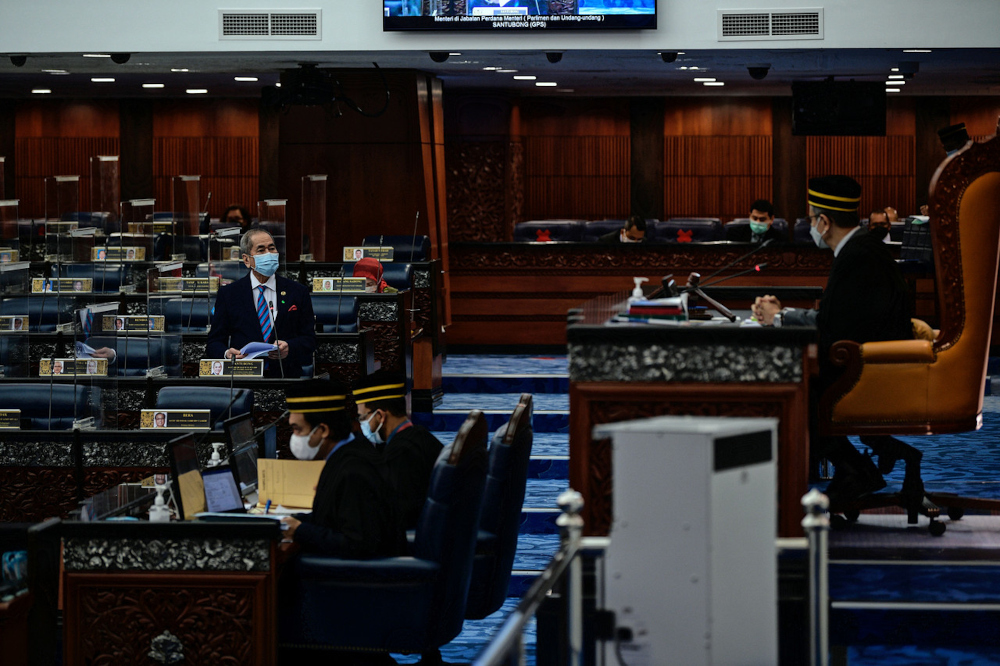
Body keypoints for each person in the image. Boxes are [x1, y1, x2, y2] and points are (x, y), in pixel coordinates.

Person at [751, 175, 913, 502]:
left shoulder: (858, 256)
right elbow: (837, 318)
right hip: (871, 359)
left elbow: (834, 329)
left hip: (872, 369)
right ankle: (853, 465)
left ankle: (854, 470)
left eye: (812, 219)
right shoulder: (861, 248)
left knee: (792, 382)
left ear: (824, 222)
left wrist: (779, 318)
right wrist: (783, 314)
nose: (811, 226)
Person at [280, 379, 403, 558]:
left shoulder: (354, 471)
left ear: (323, 430)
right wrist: (295, 521)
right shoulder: (350, 451)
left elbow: (356, 544)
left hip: (359, 573)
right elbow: (331, 518)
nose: (295, 437)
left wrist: (300, 531)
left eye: (298, 429)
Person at [205, 229, 316, 378]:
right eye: (261, 250)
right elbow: (214, 342)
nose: (269, 254)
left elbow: (309, 340)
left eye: (272, 248)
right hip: (244, 378)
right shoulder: (229, 294)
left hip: (286, 377)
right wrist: (227, 354)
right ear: (246, 260)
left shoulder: (297, 292)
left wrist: (289, 347)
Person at [353, 371, 443, 530]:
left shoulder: (400, 454)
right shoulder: (421, 435)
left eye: (363, 417)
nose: (362, 424)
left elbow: (399, 516)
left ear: (380, 416)